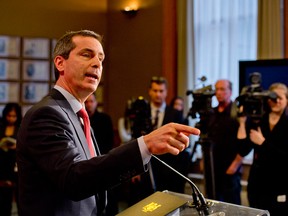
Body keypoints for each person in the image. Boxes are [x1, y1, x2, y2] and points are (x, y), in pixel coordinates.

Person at [16, 30, 200, 216]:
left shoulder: (79, 115)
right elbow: (74, 180)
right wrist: (145, 145)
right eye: (86, 54)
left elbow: (93, 174)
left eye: (101, 59)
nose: (97, 63)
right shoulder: (46, 114)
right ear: (60, 63)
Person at [237, 82, 288, 215]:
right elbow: (243, 150)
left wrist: (263, 143)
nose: (276, 101)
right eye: (273, 98)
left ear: (287, 100)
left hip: (280, 184)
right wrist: (242, 124)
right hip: (257, 184)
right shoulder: (259, 120)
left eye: (280, 98)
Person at [148, 76, 189, 194]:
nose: (158, 94)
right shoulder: (142, 111)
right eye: (155, 91)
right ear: (150, 91)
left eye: (161, 91)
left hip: (169, 167)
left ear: (166, 92)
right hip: (147, 166)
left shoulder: (176, 114)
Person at [205, 79, 243, 204]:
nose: (219, 92)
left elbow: (245, 143)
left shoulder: (237, 113)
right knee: (212, 201)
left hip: (230, 167)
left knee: (232, 204)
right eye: (217, 89)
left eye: (222, 89)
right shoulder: (211, 112)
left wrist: (236, 164)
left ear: (230, 92)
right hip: (212, 165)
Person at [84, 93, 117, 216]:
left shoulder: (104, 119)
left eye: (91, 101)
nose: (89, 105)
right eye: (86, 102)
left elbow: (109, 142)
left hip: (104, 159)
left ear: (96, 103)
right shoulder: (79, 119)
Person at [0, 102, 22, 216]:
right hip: (3, 165)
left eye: (14, 116)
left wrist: (16, 146)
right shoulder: (1, 126)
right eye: (9, 116)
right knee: (4, 200)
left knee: (20, 198)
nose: (11, 119)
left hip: (16, 166)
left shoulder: (21, 128)